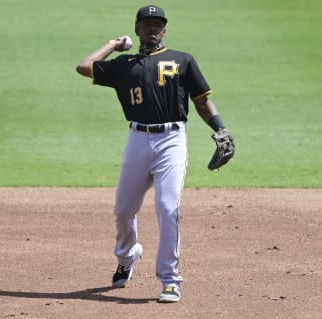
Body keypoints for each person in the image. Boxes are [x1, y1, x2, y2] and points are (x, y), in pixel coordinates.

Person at [76, 4, 234, 303]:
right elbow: (84, 67)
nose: (152, 28)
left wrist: (220, 129)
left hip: (172, 141)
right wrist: (112, 44)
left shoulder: (183, 60)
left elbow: (201, 101)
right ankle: (127, 256)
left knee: (167, 208)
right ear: (137, 29)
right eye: (146, 24)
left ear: (164, 29)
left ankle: (170, 280)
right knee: (123, 210)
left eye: (157, 24)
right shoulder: (124, 64)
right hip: (137, 139)